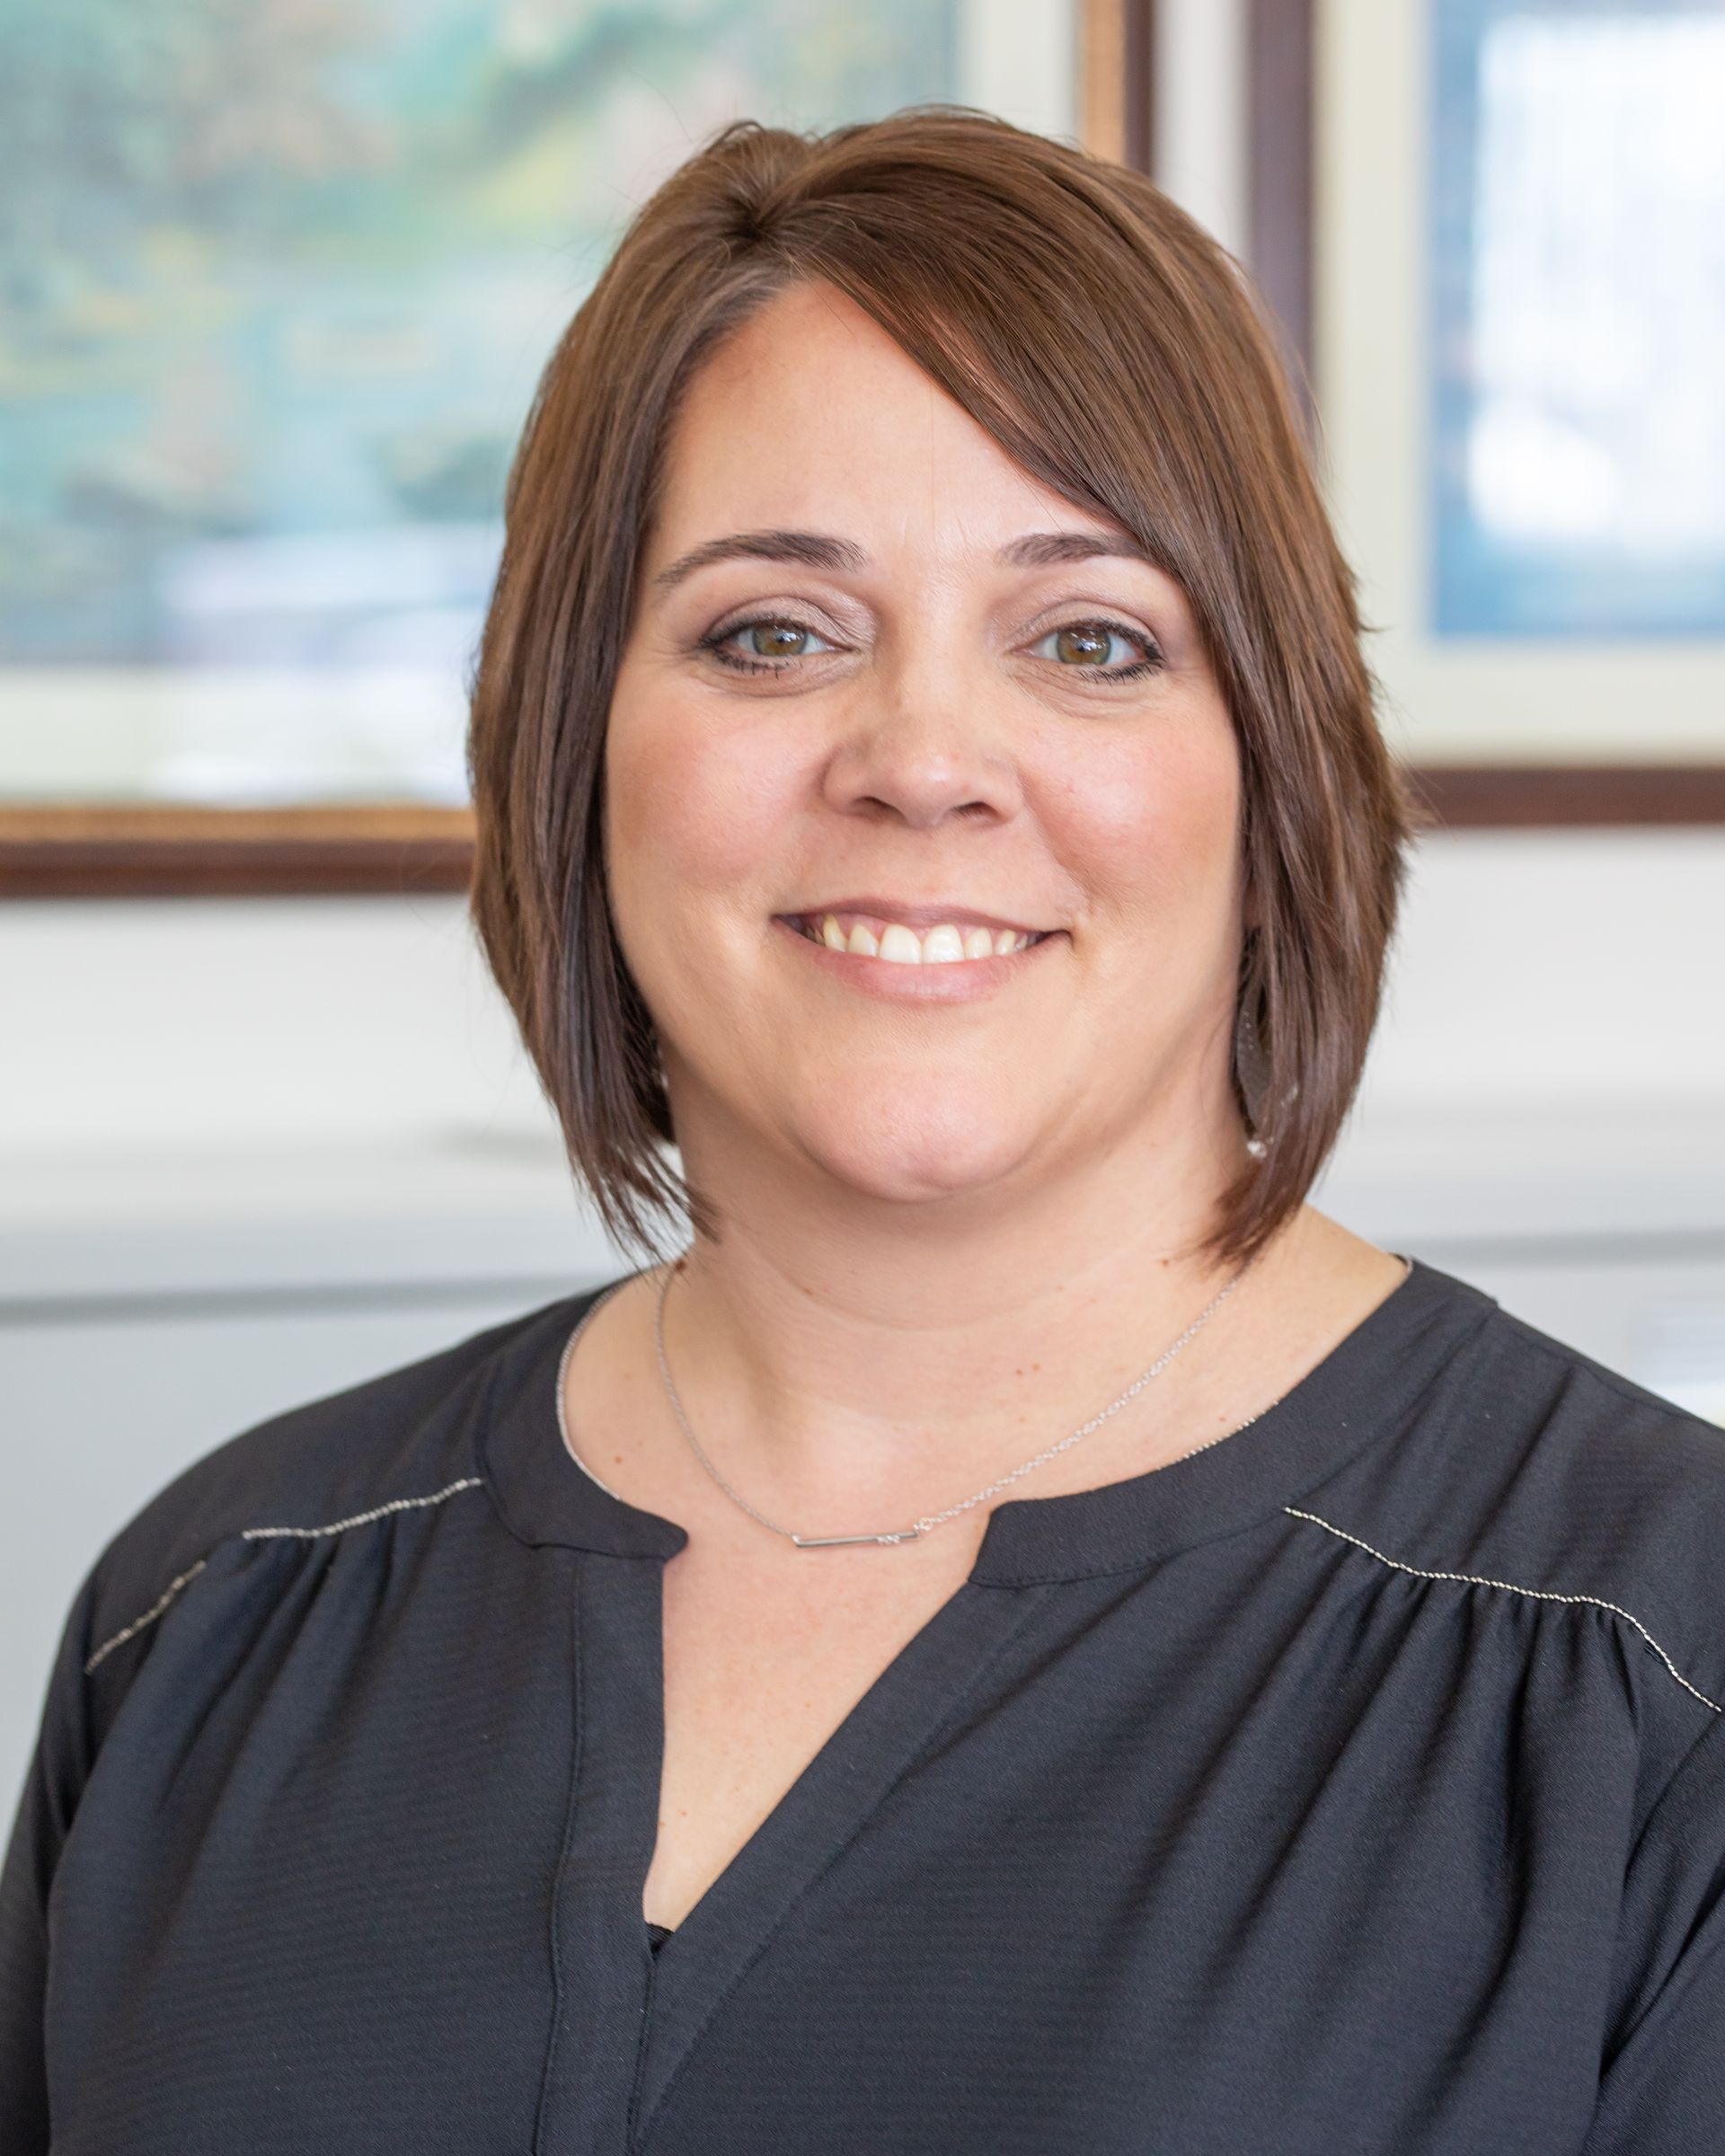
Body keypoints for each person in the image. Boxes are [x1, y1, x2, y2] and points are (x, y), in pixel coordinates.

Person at [4, 107, 1722, 2155]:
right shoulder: (218, 1611)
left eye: (1090, 640)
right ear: (576, 738)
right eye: (773, 633)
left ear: (1271, 770)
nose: (921, 761)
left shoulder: (1648, 1663)